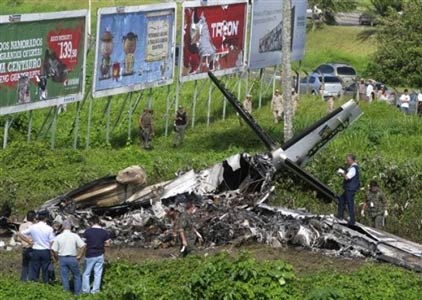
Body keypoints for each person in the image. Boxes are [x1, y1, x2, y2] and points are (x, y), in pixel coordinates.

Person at [18, 210, 55, 283]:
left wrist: (28, 241)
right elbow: (52, 241)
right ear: (46, 218)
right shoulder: (49, 228)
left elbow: (19, 234)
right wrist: (52, 252)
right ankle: (46, 283)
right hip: (45, 251)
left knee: (34, 269)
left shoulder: (33, 227)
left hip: (35, 250)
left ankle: (34, 284)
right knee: (45, 269)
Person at [51, 220, 86, 295]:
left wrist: (56, 257)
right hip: (73, 258)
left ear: (62, 227)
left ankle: (66, 294)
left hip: (62, 258)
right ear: (70, 227)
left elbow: (53, 249)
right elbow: (83, 246)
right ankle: (78, 293)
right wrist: (80, 255)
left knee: (64, 277)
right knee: (77, 275)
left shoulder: (58, 237)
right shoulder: (75, 236)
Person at [82, 216, 111, 294]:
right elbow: (108, 244)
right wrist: (101, 244)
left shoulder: (87, 231)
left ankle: (85, 290)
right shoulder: (104, 232)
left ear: (91, 222)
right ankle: (95, 290)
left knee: (86, 273)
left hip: (90, 254)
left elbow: (83, 244)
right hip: (100, 254)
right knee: (98, 273)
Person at [336, 154, 360, 225]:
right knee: (341, 200)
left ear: (352, 160)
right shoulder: (351, 168)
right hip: (348, 188)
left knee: (350, 204)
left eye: (348, 160)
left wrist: (342, 172)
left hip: (350, 189)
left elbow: (347, 177)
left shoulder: (353, 168)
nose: (347, 162)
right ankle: (340, 215)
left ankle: (352, 220)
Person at [18, 210, 36, 281]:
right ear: (34, 218)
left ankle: (23, 280)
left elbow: (19, 238)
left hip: (24, 248)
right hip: (32, 247)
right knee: (32, 266)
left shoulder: (22, 225)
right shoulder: (34, 226)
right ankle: (30, 281)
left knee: (24, 266)